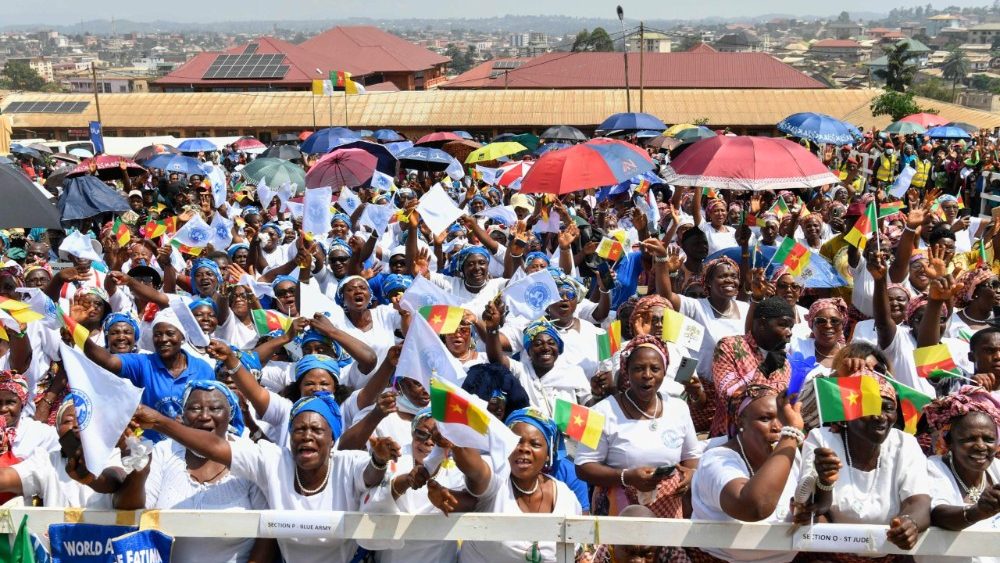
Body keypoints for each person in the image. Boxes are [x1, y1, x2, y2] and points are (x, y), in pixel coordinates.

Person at [132, 391, 400, 563]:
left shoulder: (347, 462)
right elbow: (215, 446)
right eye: (299, 429)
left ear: (332, 439)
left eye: (317, 430)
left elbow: (370, 475)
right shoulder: (273, 460)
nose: (307, 436)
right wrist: (160, 422)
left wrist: (378, 460)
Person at [115, 381, 275, 562]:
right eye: (195, 409)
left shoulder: (249, 456)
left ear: (230, 414)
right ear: (182, 414)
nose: (204, 416)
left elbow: (268, 533)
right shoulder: (164, 452)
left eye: (215, 408)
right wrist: (140, 472)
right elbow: (130, 509)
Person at [575, 336, 700, 535]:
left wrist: (691, 474)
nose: (647, 375)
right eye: (639, 368)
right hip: (619, 509)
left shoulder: (679, 408)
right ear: (626, 371)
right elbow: (582, 467)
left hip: (669, 509)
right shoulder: (598, 412)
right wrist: (627, 477)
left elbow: (692, 457)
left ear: (664, 371)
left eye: (655, 369)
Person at [799, 374, 931, 559]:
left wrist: (909, 523)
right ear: (849, 410)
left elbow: (918, 502)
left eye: (888, 408)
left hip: (889, 555)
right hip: (829, 556)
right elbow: (812, 508)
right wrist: (824, 482)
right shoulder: (821, 439)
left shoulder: (905, 444)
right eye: (871, 406)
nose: (880, 417)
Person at [690, 385, 826, 563]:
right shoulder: (717, 460)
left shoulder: (790, 454)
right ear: (740, 422)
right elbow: (754, 507)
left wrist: (808, 511)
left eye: (783, 419)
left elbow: (818, 518)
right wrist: (791, 433)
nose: (778, 427)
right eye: (765, 418)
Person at [443, 407, 582, 562]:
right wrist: (456, 442)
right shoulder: (497, 478)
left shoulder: (565, 497)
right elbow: (477, 471)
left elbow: (577, 550)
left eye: (535, 444)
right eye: (516, 441)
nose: (524, 449)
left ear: (548, 453)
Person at [83, 307, 215, 442]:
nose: (163, 339)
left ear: (182, 337)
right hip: (153, 449)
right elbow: (109, 361)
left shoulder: (203, 369)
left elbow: (213, 410)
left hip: (192, 445)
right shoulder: (144, 363)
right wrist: (77, 332)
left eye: (170, 333)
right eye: (157, 334)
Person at [921, 386, 1000, 563]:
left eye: (988, 439)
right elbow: (938, 514)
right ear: (949, 442)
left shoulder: (997, 469)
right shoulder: (933, 468)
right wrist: (977, 511)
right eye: (969, 439)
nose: (980, 446)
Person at [710, 297, 795, 437]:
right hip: (731, 439)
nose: (789, 332)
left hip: (771, 440)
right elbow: (730, 397)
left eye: (791, 327)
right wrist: (764, 369)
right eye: (783, 325)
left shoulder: (784, 362)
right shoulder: (730, 347)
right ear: (762, 323)